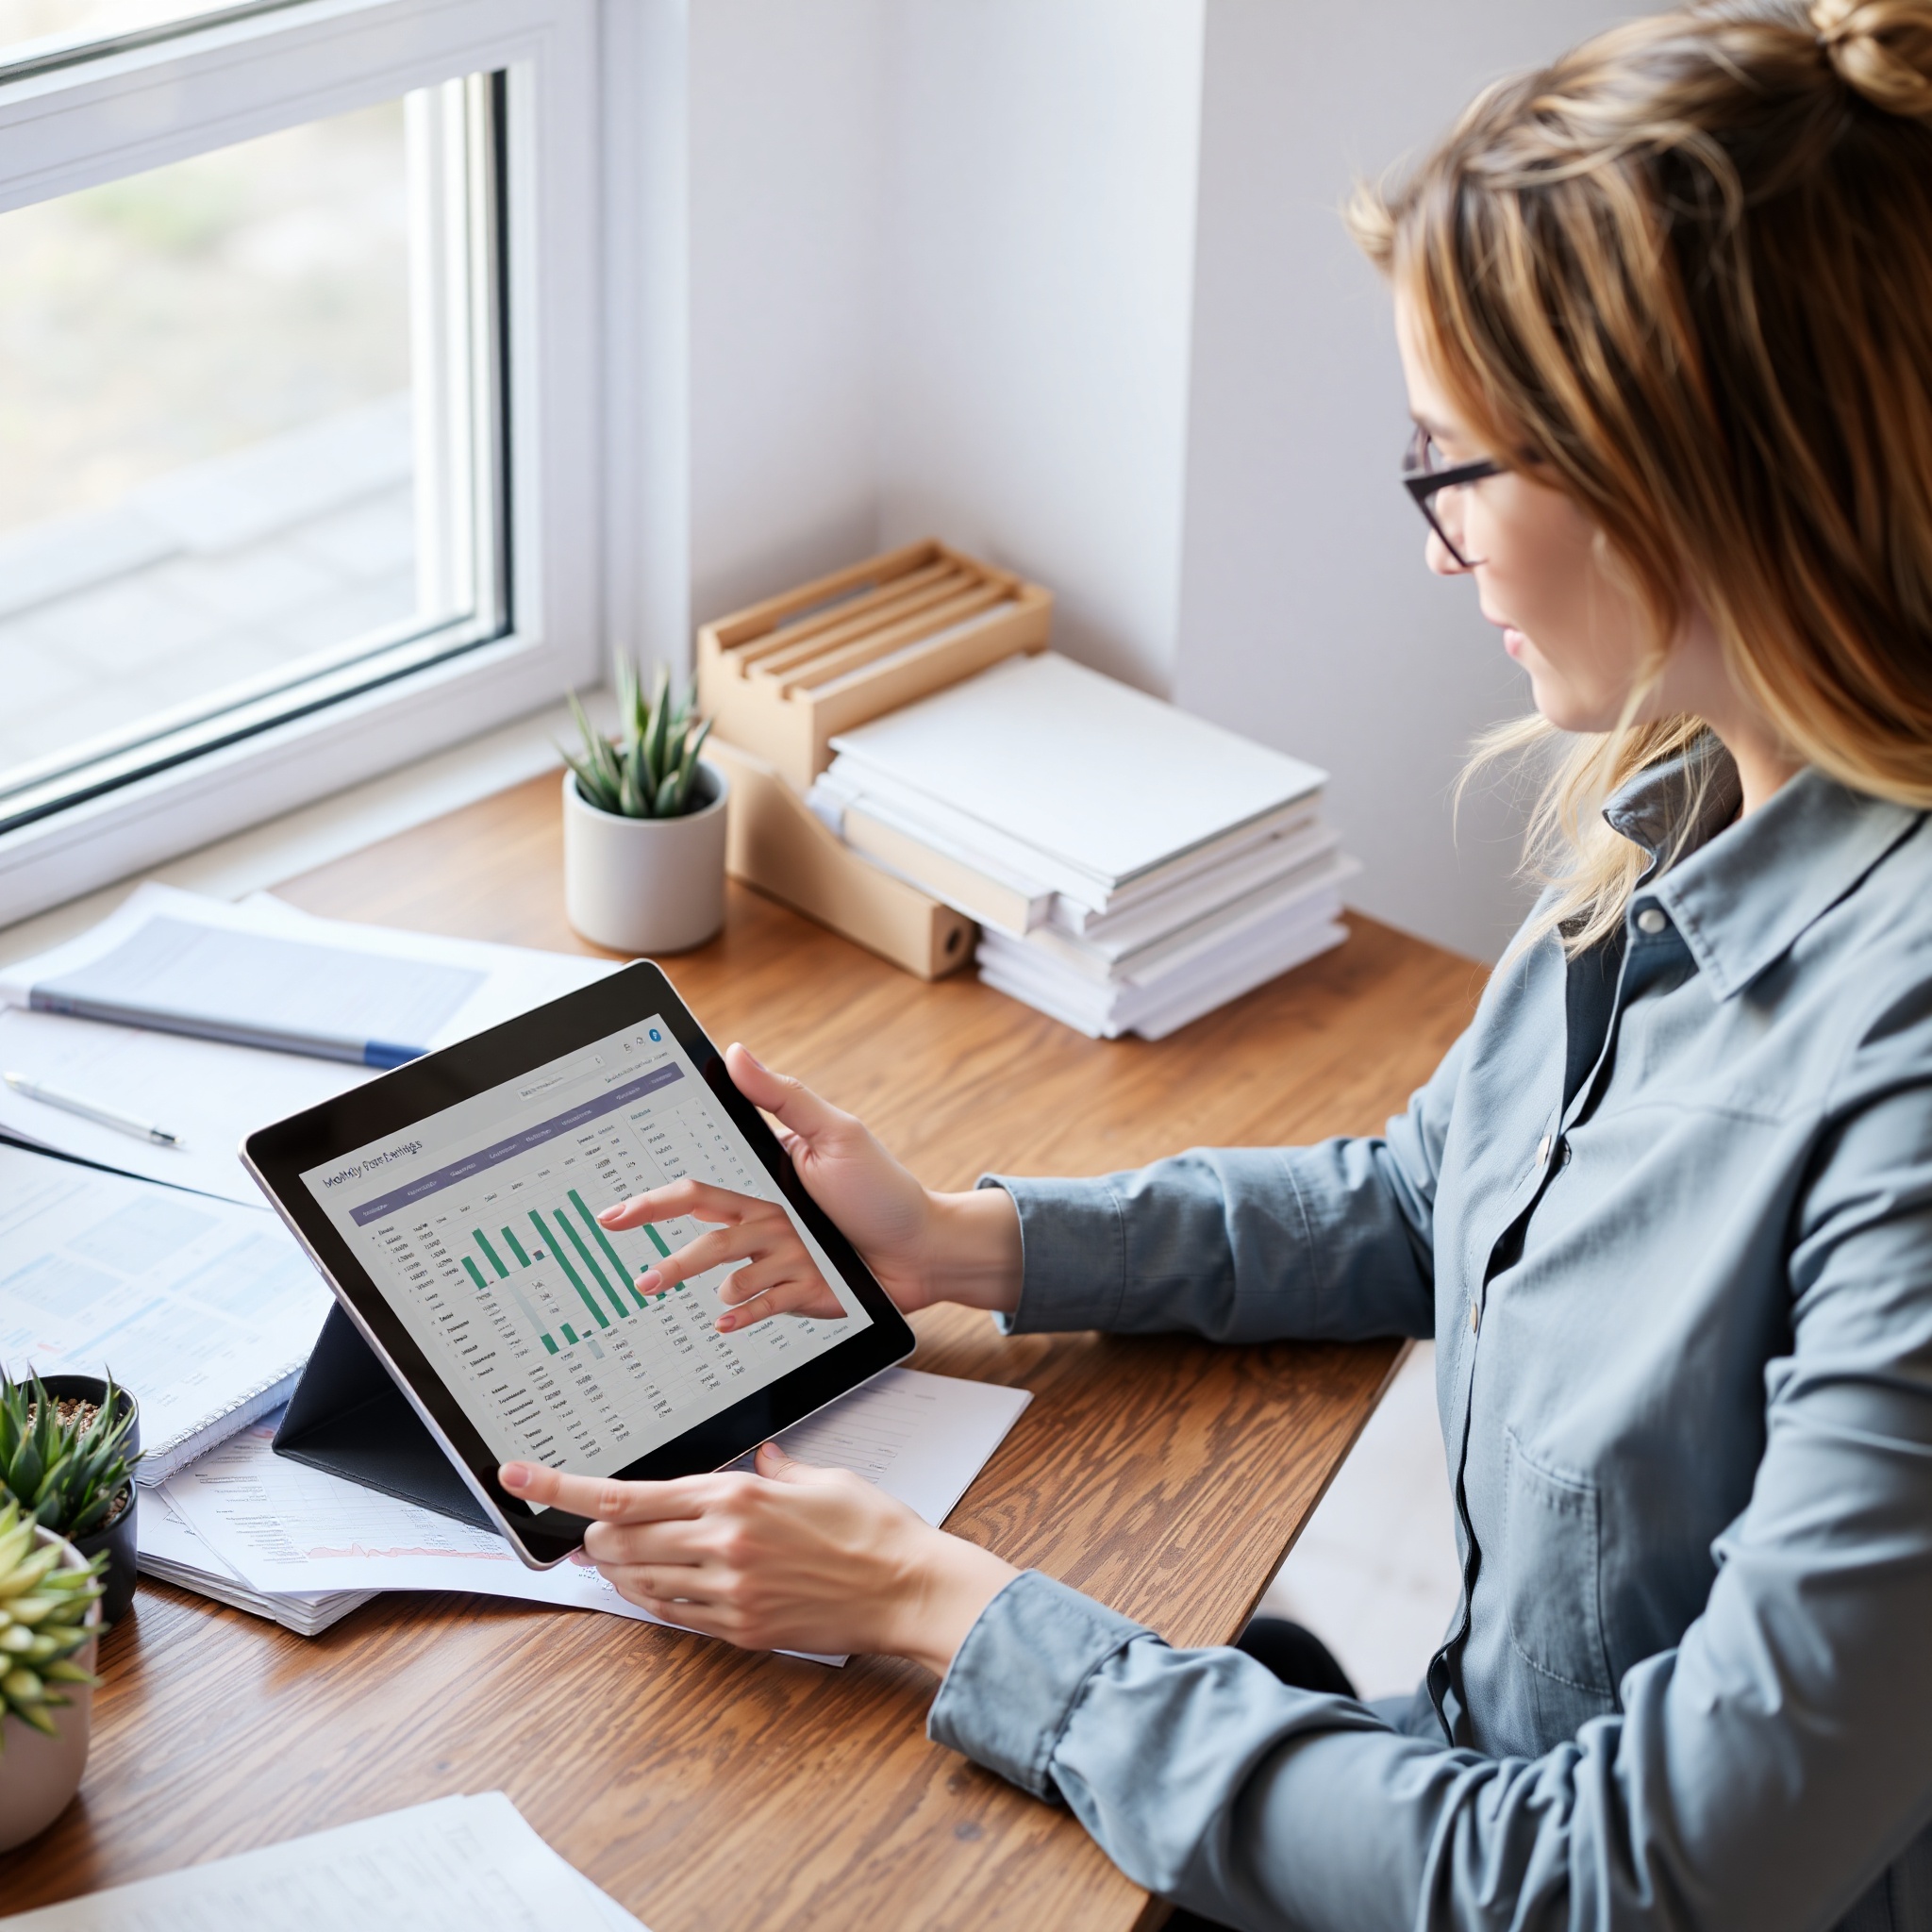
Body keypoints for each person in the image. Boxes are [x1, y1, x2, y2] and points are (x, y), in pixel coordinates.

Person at [503, 1, 1932, 1923]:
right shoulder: (1692, 798)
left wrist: (946, 1606)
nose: (1436, 550)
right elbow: (1441, 1192)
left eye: (1450, 466)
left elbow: (1628, 1879)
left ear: (1672, 475)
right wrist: (966, 1244)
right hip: (1463, 1765)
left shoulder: (1898, 1076)